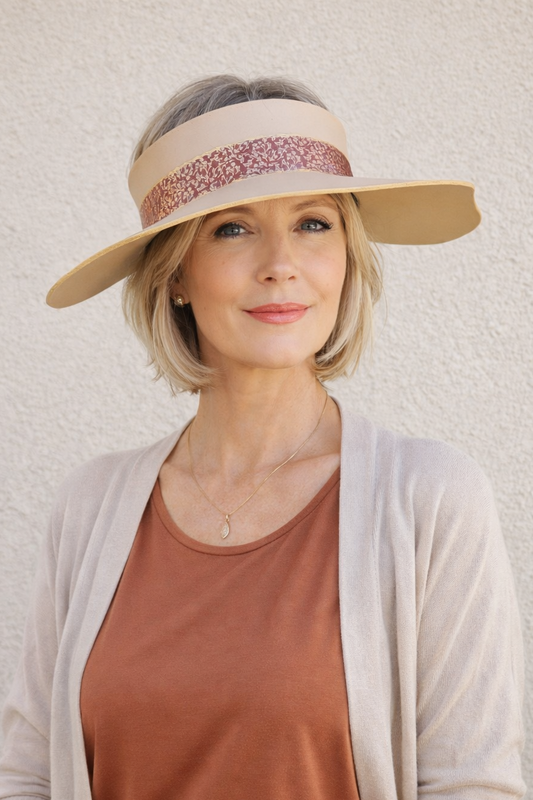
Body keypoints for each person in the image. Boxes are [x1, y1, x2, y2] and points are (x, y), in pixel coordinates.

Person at [0, 75, 525, 800]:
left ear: (346, 255)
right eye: (232, 226)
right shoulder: (88, 509)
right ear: (175, 272)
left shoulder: (430, 500)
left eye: (313, 222)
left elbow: (473, 785)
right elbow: (28, 774)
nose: (281, 263)